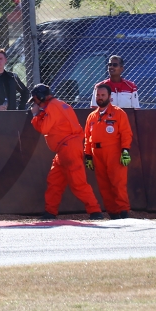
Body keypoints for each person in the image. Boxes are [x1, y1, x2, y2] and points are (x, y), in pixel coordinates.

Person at [29, 83, 106, 221]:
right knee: (54, 181)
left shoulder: (52, 106)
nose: (35, 103)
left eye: (35, 100)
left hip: (68, 147)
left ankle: (95, 211)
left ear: (40, 97)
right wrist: (40, 112)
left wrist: (35, 114)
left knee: (78, 182)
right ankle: (50, 212)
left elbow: (44, 128)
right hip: (65, 148)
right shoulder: (59, 104)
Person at [84, 84, 133, 219]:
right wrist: (88, 155)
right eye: (98, 95)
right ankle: (112, 213)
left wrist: (125, 150)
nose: (100, 98)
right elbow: (87, 138)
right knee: (103, 185)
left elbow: (126, 134)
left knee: (118, 183)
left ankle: (123, 211)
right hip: (96, 153)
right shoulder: (92, 117)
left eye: (103, 95)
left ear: (110, 97)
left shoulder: (118, 113)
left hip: (114, 152)